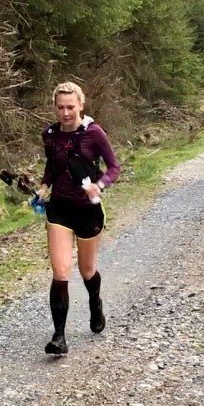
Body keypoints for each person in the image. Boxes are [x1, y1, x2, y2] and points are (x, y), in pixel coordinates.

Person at [37, 81, 121, 355]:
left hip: (87, 209)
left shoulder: (94, 133)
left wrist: (101, 185)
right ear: (55, 107)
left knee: (86, 270)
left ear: (81, 105)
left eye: (70, 107)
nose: (65, 113)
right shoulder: (49, 134)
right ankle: (59, 337)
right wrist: (43, 185)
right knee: (61, 271)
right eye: (60, 107)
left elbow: (114, 168)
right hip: (60, 209)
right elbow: (52, 165)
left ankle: (95, 302)